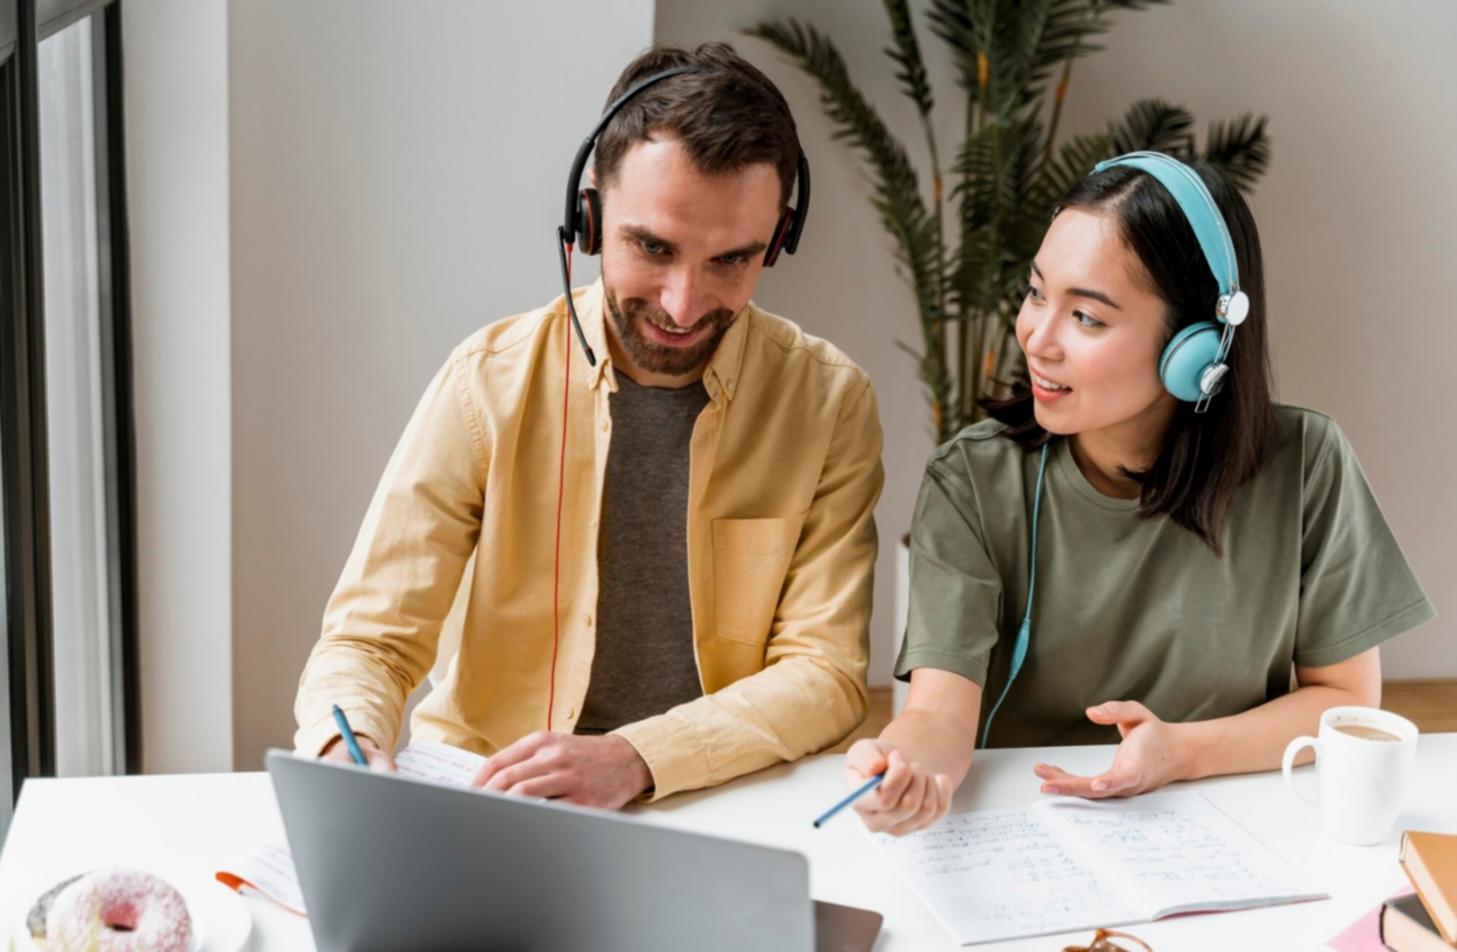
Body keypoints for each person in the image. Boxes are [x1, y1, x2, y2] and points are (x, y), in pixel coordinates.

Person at [293, 42, 883, 809]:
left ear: (776, 241)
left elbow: (827, 671)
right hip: (495, 798)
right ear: (590, 216)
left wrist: (634, 757)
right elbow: (370, 640)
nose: (682, 303)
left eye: (730, 261)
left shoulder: (828, 401)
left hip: (722, 798)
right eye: (653, 248)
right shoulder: (486, 381)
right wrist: (349, 745)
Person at [847, 153, 1435, 836]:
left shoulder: (1305, 463)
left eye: (1087, 318)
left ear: (1195, 348)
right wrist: (902, 766)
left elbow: (1343, 698)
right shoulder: (971, 481)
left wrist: (1179, 753)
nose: (1037, 338)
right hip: (1031, 826)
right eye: (1037, 293)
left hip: (1239, 818)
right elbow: (939, 715)